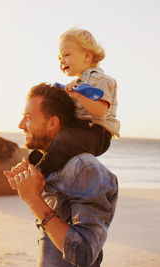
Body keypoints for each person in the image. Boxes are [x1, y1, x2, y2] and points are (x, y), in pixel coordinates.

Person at [4, 83, 118, 267]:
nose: (20, 125)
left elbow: (84, 254)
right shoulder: (51, 166)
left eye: (28, 117)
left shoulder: (85, 169)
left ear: (52, 123)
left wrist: (34, 201)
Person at [30, 27, 120, 178]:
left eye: (66, 55)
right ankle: (30, 164)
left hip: (97, 133)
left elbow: (100, 111)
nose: (62, 61)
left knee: (64, 142)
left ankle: (40, 173)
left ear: (87, 56)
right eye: (59, 58)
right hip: (80, 129)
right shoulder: (76, 83)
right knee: (49, 139)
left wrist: (78, 96)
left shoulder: (100, 80)